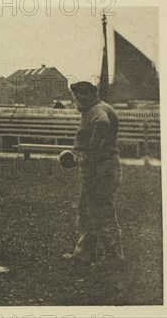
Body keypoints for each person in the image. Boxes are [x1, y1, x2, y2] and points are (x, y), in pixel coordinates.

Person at [62, 81, 124, 267]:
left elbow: (102, 124)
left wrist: (91, 152)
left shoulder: (97, 110)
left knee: (101, 211)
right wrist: (81, 157)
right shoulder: (93, 109)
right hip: (95, 167)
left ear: (84, 96)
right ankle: (83, 254)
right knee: (85, 209)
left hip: (102, 168)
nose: (74, 101)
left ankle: (113, 257)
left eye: (75, 97)